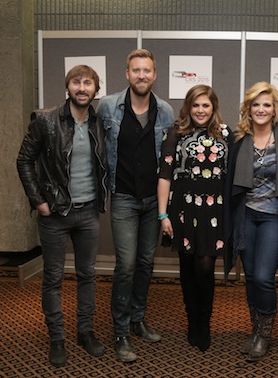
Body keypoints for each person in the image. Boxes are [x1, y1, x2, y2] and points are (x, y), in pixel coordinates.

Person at [17, 65, 108, 367]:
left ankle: (85, 331)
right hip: (54, 213)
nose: (82, 88)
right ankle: (57, 338)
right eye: (76, 82)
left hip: (88, 212)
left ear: (97, 89)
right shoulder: (45, 120)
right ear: (67, 87)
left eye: (88, 83)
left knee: (87, 275)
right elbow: (24, 160)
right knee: (53, 278)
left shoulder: (99, 122)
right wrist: (37, 200)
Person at [97, 49, 174, 362]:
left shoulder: (166, 112)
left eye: (147, 71)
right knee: (126, 265)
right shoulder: (107, 107)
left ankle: (138, 318)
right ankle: (120, 331)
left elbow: (168, 161)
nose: (142, 75)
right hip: (124, 199)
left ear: (154, 76)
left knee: (145, 263)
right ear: (127, 74)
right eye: (136, 70)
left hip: (152, 202)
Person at [225, 82, 278, 362]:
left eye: (266, 105)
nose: (261, 109)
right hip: (245, 216)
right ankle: (256, 331)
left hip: (273, 217)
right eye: (255, 104)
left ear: (275, 110)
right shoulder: (238, 142)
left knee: (263, 277)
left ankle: (265, 335)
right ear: (248, 109)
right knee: (249, 278)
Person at [157, 85, 229, 352]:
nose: (201, 110)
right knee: (187, 268)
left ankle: (204, 323)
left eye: (206, 106)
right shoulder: (174, 134)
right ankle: (192, 322)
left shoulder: (225, 134)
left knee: (205, 268)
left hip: (214, 210)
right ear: (188, 107)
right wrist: (163, 214)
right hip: (182, 210)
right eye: (196, 105)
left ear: (213, 108)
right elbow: (164, 175)